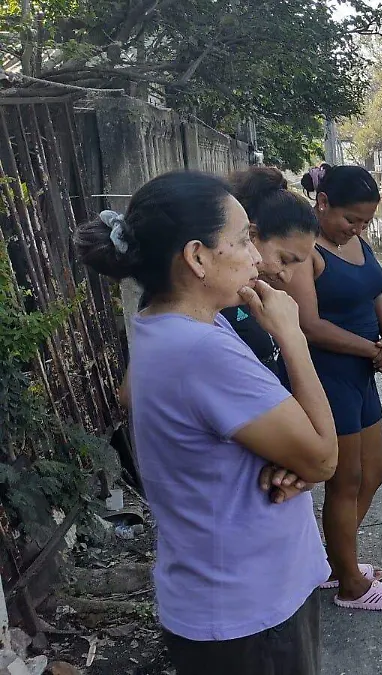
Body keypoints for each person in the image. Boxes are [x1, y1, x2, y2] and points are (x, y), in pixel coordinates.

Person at [75, 171, 342, 674]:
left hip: (215, 595)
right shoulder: (202, 350)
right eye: (243, 241)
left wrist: (271, 452)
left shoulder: (165, 322)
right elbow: (325, 456)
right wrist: (293, 337)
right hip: (252, 609)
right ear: (197, 257)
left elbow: (135, 395)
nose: (258, 258)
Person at [283, 163, 382, 610]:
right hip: (328, 374)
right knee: (346, 480)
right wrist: (374, 351)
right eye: (349, 219)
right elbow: (310, 325)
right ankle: (350, 585)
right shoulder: (306, 251)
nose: (355, 228)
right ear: (322, 204)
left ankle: (336, 562)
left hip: (362, 369)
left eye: (364, 221)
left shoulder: (357, 241)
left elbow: (378, 289)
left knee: (374, 472)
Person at [221, 167, 322, 375]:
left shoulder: (252, 295)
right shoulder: (212, 305)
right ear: (251, 235)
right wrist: (292, 338)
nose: (287, 277)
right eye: (284, 260)